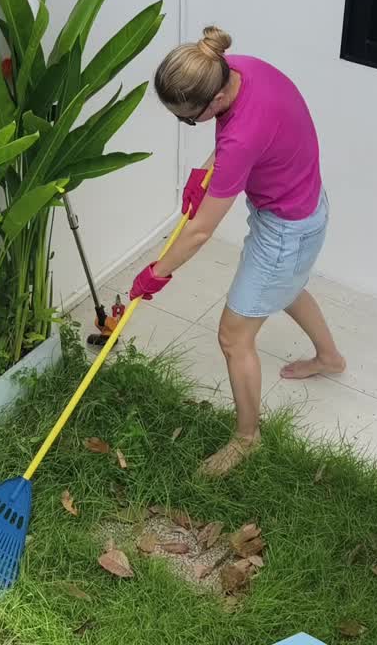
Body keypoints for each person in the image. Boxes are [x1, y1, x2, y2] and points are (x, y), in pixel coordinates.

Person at [129, 26, 345, 477]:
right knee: (286, 287)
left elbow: (199, 231)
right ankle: (330, 358)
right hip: (303, 204)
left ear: (215, 101)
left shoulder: (241, 134)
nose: (190, 125)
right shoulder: (240, 69)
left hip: (287, 228)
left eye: (190, 119)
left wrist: (156, 272)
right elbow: (238, 139)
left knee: (233, 336)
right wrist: (206, 172)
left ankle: (247, 439)